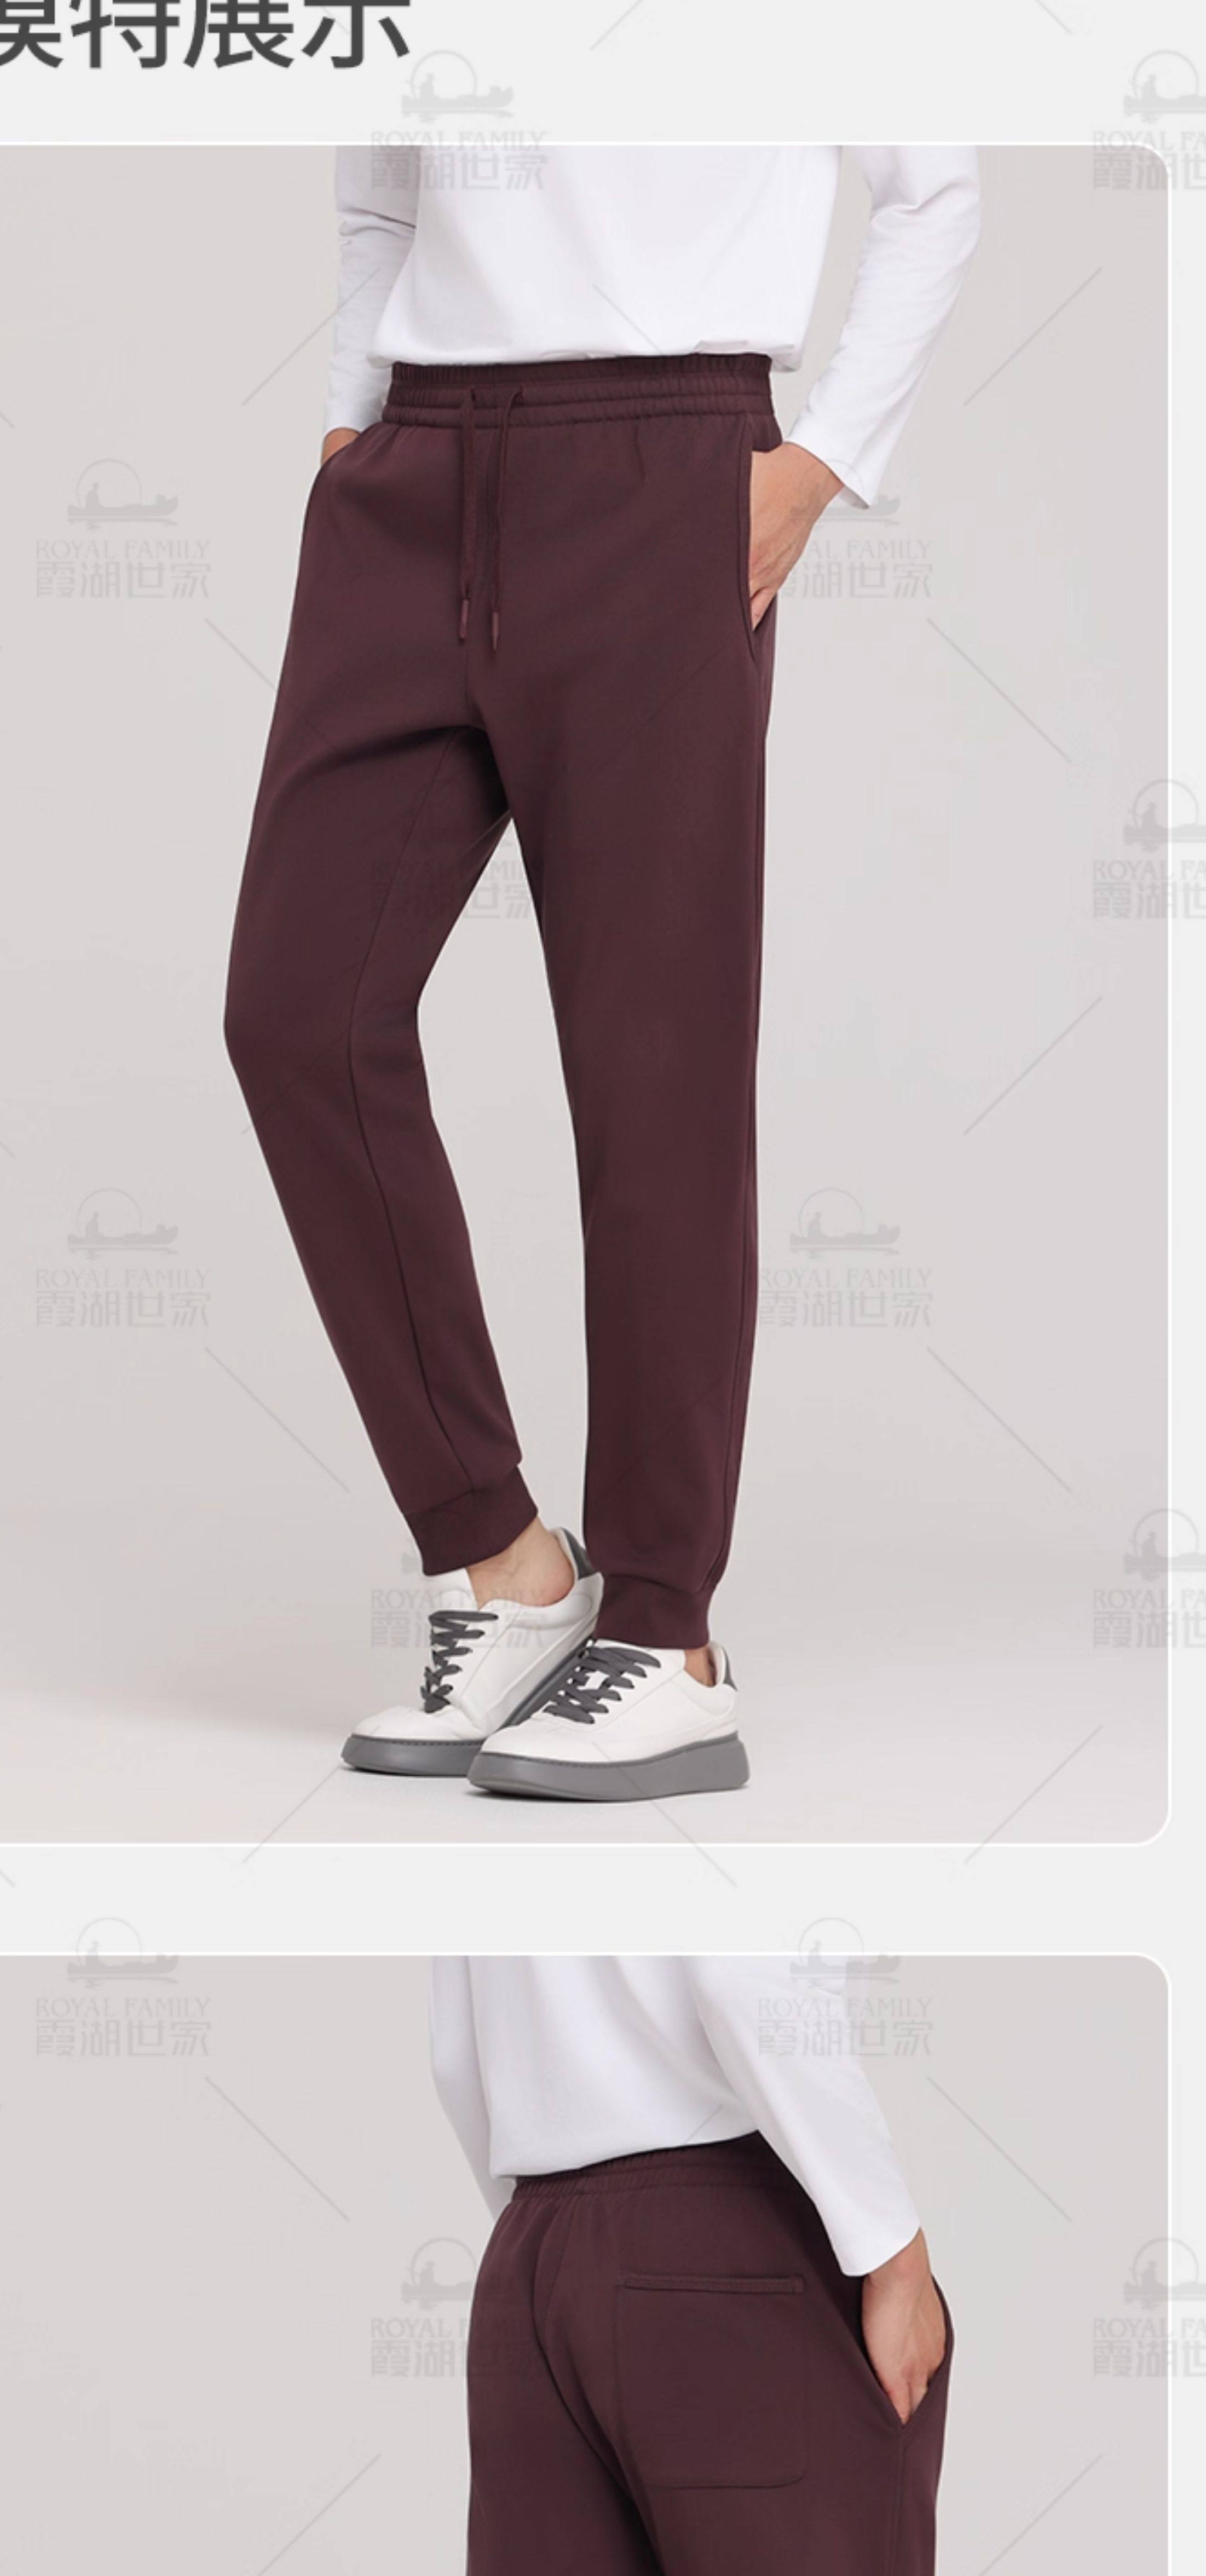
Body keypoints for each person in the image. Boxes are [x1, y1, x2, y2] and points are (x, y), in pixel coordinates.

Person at [226, 147, 981, 1798]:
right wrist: (352, 429)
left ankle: (664, 1628)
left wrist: (819, 462)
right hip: (413, 467)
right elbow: (381, 193)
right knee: (294, 1012)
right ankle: (503, 1562)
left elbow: (935, 185)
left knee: (654, 1066)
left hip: (665, 461)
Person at [430, 1955, 951, 2574]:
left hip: (529, 2257)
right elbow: (742, 1977)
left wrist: (553, 2251)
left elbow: (454, 2057)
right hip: (735, 2242)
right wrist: (889, 2245)